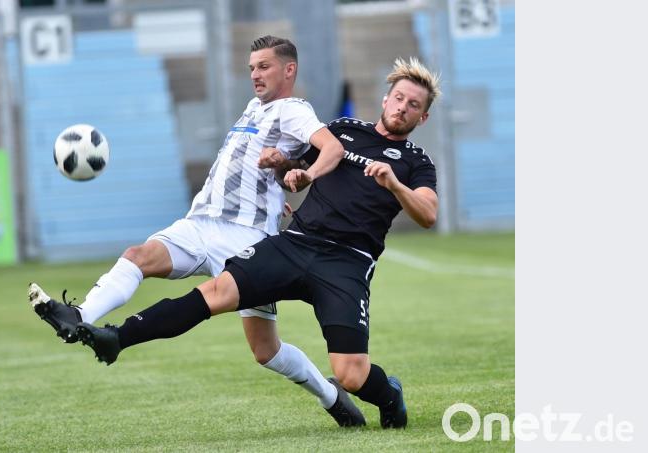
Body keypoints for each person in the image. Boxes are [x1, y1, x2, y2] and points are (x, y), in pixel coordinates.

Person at [72, 57, 441, 429]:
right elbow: (294, 170)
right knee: (216, 292)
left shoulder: (415, 162)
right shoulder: (343, 129)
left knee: (350, 375)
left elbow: (428, 214)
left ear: (422, 118)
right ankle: (118, 338)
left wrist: (395, 184)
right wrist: (284, 165)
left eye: (413, 105)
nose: (402, 108)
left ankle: (390, 395)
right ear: (385, 99)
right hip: (296, 243)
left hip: (346, 263)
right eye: (398, 98)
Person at [28, 36, 366, 427]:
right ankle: (79, 314)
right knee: (138, 256)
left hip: (247, 239)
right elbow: (261, 165)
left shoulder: (292, 110)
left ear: (289, 70)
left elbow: (333, 149)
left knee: (265, 351)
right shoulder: (254, 108)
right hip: (201, 222)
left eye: (265, 66)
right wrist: (279, 182)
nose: (255, 74)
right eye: (252, 67)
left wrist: (304, 174)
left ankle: (331, 397)